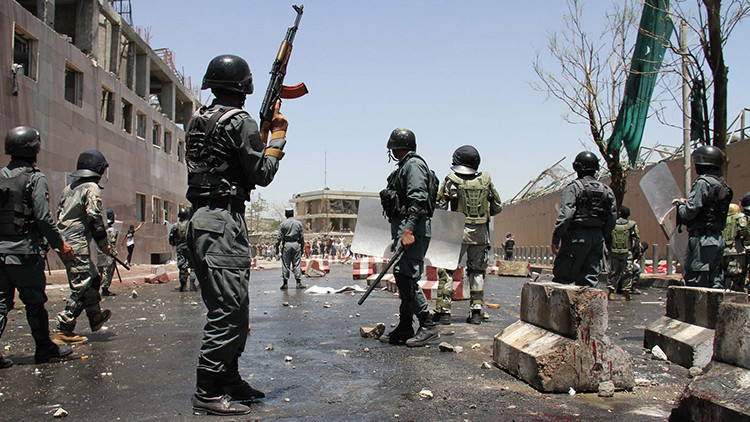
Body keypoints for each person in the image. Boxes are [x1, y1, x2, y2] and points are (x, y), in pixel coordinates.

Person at [185, 54, 288, 416]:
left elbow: (223, 165)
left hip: (201, 219)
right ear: (244, 87)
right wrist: (278, 134)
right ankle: (208, 388)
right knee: (229, 310)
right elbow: (262, 173)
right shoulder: (241, 121)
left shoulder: (198, 119)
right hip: (223, 221)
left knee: (234, 306)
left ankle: (228, 378)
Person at [0, 126, 75, 368]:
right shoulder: (35, 178)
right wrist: (60, 244)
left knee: (1, 304)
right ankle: (44, 348)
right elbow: (43, 217)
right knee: (34, 302)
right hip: (24, 252)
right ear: (34, 149)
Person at [377, 128, 439, 347]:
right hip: (406, 230)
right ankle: (405, 326)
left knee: (406, 277)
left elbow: (418, 199)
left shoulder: (413, 165)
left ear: (396, 147)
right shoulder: (405, 166)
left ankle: (427, 325)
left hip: (413, 230)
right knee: (403, 276)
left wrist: (408, 230)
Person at [432, 145, 502, 325]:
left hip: (457, 233)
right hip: (480, 234)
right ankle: (476, 312)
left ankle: (444, 312)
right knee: (477, 271)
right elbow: (497, 206)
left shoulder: (451, 180)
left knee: (447, 270)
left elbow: (439, 207)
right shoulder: (486, 180)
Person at [54, 150, 113, 345]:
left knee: (93, 278)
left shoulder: (69, 188)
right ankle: (64, 328)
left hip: (65, 241)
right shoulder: (91, 188)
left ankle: (95, 316)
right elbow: (95, 218)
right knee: (82, 285)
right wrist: (104, 244)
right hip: (76, 243)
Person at [551, 151, 617, 287]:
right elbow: (612, 219)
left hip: (575, 237)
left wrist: (556, 237)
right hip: (597, 238)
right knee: (590, 280)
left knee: (563, 278)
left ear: (576, 167)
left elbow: (566, 215)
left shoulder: (574, 188)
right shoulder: (607, 190)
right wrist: (600, 235)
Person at [675, 145, 733, 288]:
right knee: (715, 281)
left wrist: (681, 205)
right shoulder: (723, 186)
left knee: (696, 280)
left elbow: (689, 213)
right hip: (718, 239)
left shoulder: (703, 183)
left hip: (702, 240)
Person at [607, 206, 640, 301]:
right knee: (627, 273)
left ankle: (611, 292)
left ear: (620, 213)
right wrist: (636, 253)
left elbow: (607, 237)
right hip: (627, 253)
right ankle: (625, 294)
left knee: (613, 272)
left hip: (614, 252)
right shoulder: (632, 225)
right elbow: (636, 239)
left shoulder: (612, 224)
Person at [721, 203, 749, 291]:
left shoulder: (722, 218)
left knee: (725, 275)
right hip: (737, 251)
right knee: (737, 275)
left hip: (723, 251)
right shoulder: (740, 217)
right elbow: (743, 230)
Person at [276, 207, 306, 290]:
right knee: (297, 264)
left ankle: (285, 283)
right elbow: (301, 237)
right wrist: (302, 247)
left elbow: (279, 237)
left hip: (287, 245)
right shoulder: (298, 223)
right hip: (296, 244)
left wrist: (277, 247)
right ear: (293, 214)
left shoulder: (283, 224)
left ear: (285, 215)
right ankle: (298, 282)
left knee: (285, 264)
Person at [169, 208, 197, 292]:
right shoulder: (190, 224)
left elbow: (171, 237)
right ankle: (192, 284)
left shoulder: (176, 225)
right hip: (190, 247)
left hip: (180, 247)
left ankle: (183, 285)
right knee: (192, 266)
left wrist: (174, 243)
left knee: (182, 266)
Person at [98, 208, 119, 296]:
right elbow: (112, 244)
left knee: (100, 271)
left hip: (99, 254)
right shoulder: (111, 230)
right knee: (108, 271)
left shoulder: (100, 229)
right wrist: (114, 255)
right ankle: (105, 288)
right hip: (108, 254)